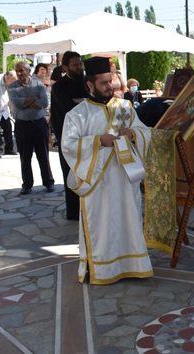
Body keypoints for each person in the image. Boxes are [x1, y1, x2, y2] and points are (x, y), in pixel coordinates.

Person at [61, 56, 153, 284]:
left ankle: (132, 265)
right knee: (101, 223)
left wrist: (133, 134)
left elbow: (145, 131)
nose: (109, 87)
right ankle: (102, 269)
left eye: (110, 81)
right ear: (89, 85)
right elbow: (68, 145)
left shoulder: (125, 107)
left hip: (124, 178)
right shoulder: (77, 115)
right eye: (103, 83)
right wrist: (98, 141)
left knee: (127, 220)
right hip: (98, 183)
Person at [50, 51, 89, 220]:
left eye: (80, 64)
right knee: (71, 173)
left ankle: (88, 209)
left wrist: (81, 101)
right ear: (65, 67)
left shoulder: (88, 83)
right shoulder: (59, 87)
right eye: (75, 65)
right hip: (68, 137)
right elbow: (69, 109)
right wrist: (85, 102)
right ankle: (74, 212)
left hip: (88, 136)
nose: (79, 67)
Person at [8, 62, 55, 195]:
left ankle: (49, 182)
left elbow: (44, 103)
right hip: (22, 125)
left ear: (28, 71)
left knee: (43, 155)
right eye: (17, 71)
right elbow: (17, 104)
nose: (19, 73)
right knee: (25, 156)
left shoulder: (38, 84)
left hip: (39, 123)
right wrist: (34, 100)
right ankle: (27, 185)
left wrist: (26, 101)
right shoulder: (12, 87)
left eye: (21, 71)